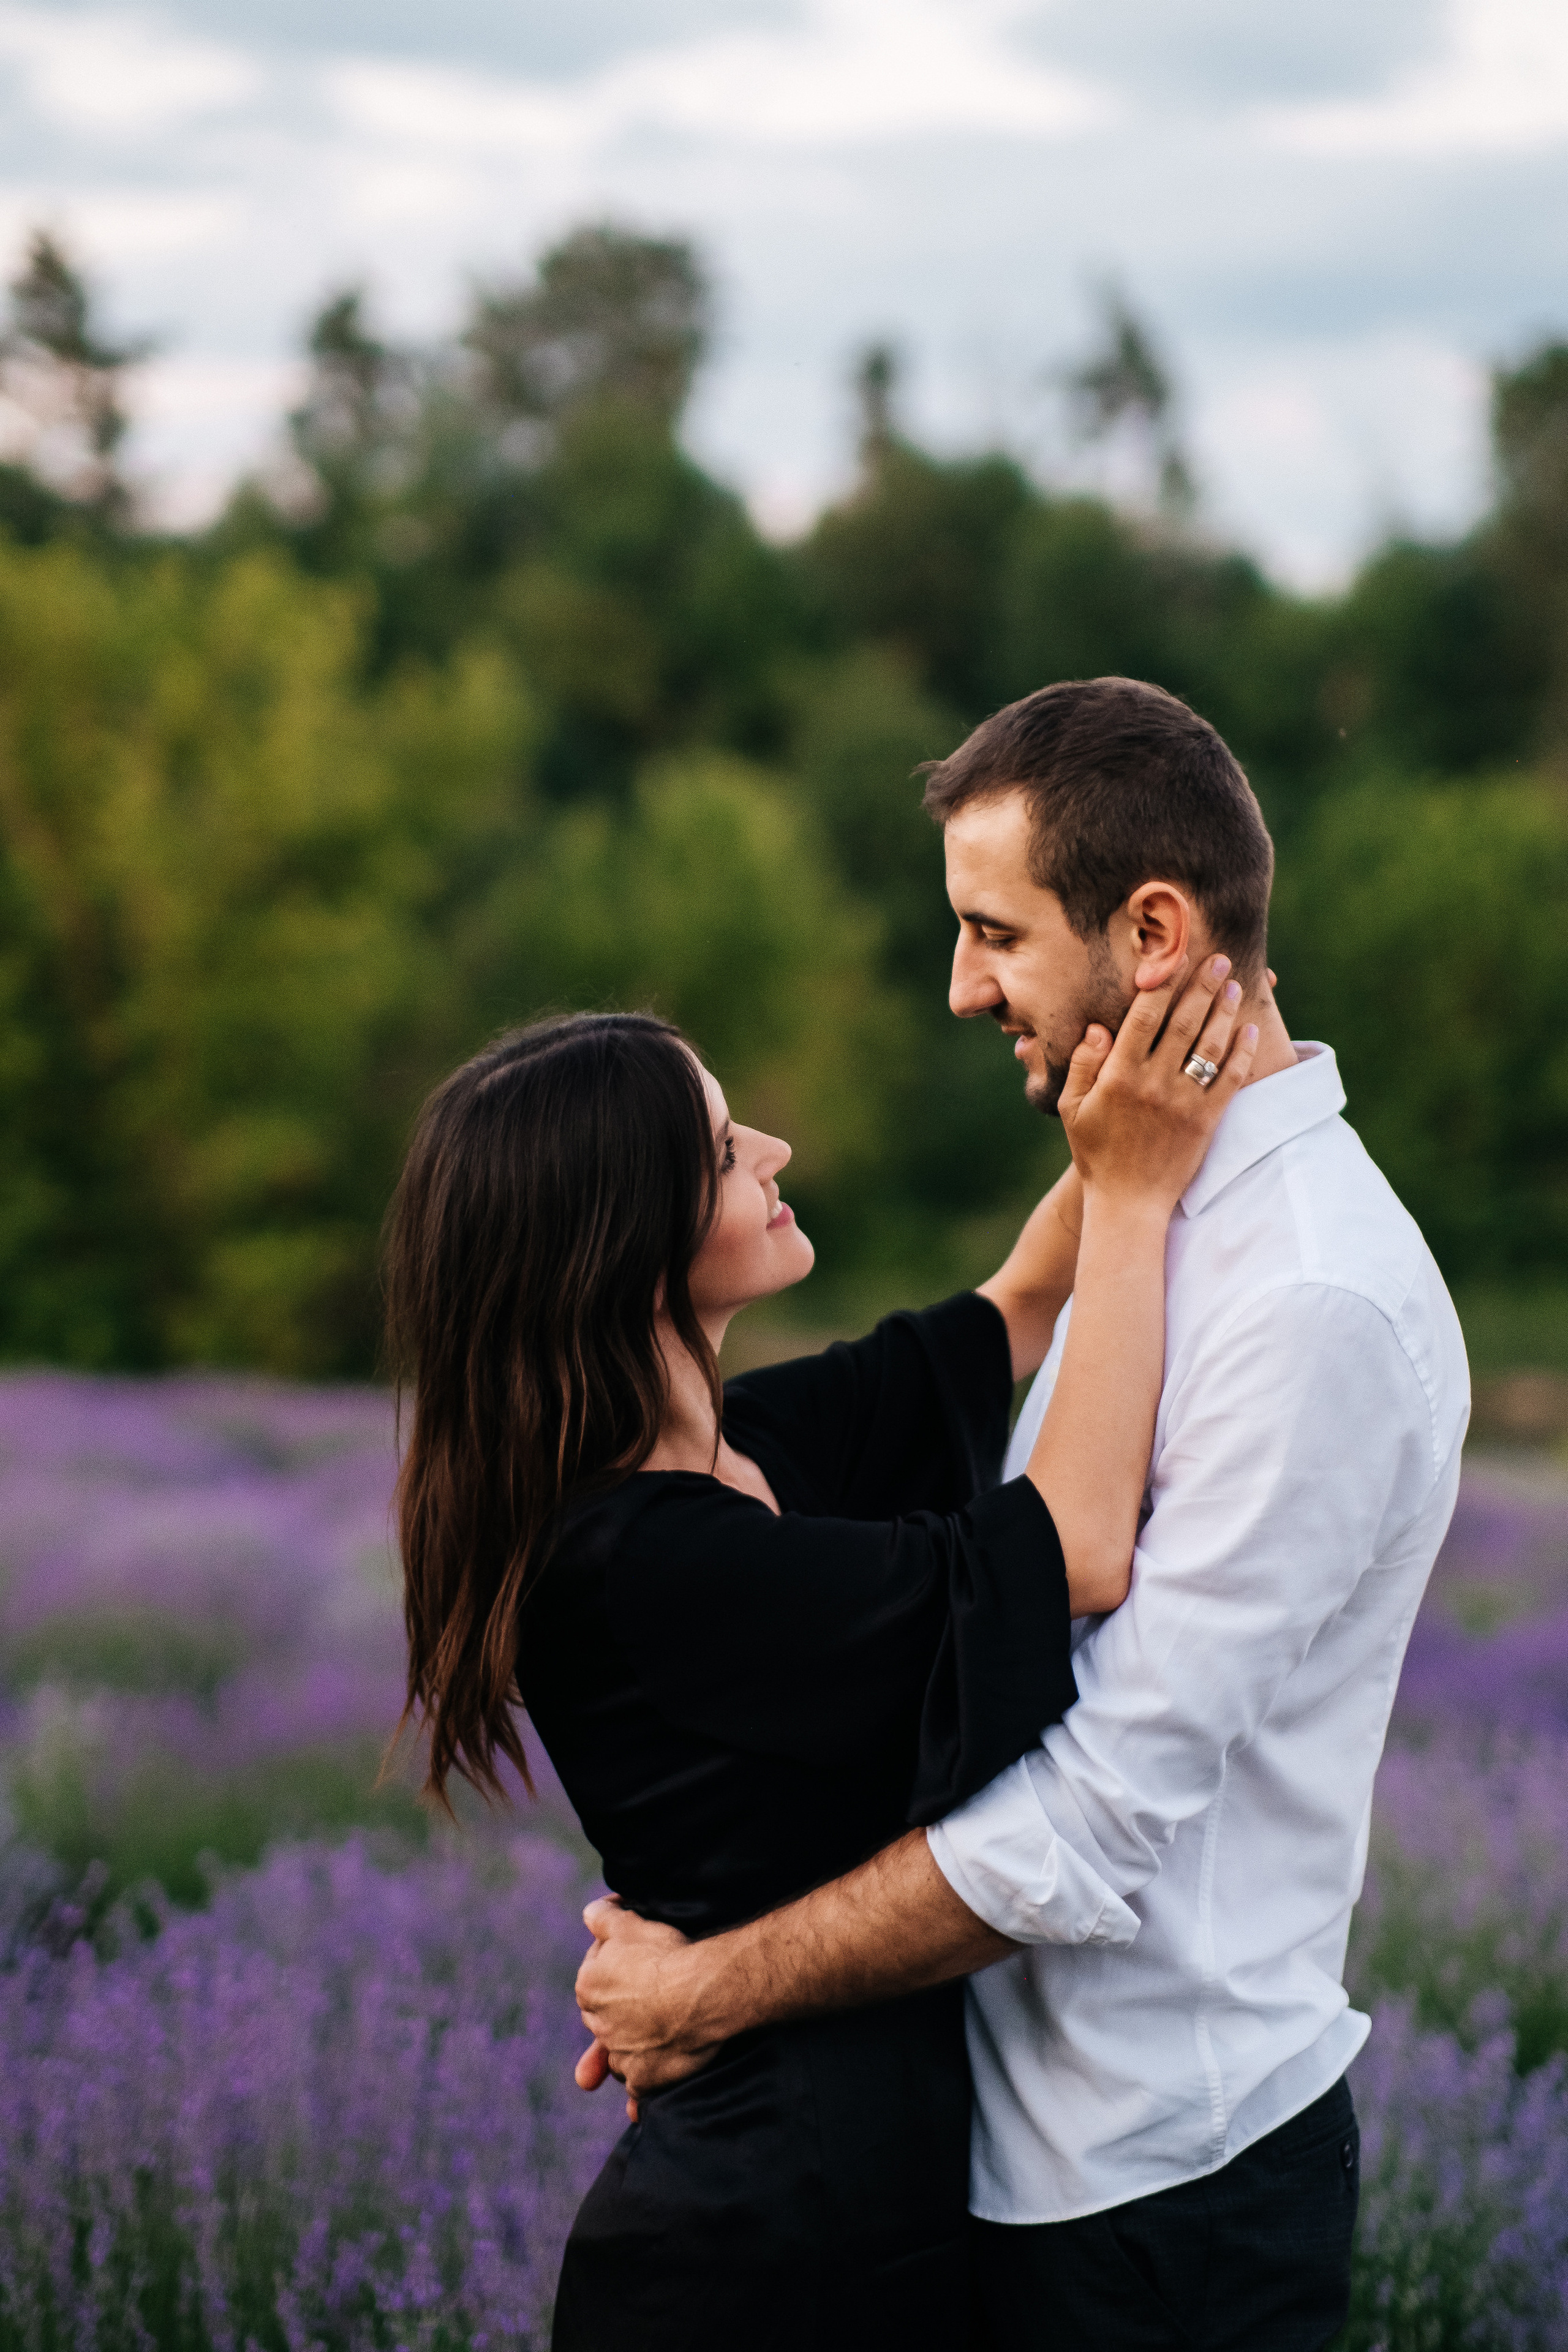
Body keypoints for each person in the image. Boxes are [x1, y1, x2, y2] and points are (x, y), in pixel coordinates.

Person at [573, 676, 1472, 2352]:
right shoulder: (1153, 1222)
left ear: (1151, 933)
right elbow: (1001, 1347)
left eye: (993, 934)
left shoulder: (1307, 1304)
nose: (959, 985)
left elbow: (1090, 1813)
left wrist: (709, 1987)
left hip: (1158, 2194)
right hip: (993, 2156)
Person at [382, 956, 1256, 2351]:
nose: (776, 1149)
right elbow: (1079, 1551)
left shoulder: (753, 1452)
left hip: (861, 2196)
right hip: (758, 2243)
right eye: (727, 1149)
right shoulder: (639, 1562)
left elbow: (1022, 1303)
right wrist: (1140, 1195)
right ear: (626, 1242)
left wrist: (1152, 1049)